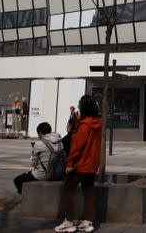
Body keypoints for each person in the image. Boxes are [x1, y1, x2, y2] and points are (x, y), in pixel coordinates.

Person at [55, 95, 101, 233]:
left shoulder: (84, 126)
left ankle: (69, 221)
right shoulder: (96, 123)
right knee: (89, 191)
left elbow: (77, 146)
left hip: (80, 164)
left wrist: (70, 163)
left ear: (83, 107)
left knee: (68, 190)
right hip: (92, 164)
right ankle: (88, 222)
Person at [13, 122, 63, 194]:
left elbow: (33, 163)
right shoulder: (59, 142)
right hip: (58, 173)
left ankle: (27, 197)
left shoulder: (39, 144)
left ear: (39, 133)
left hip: (43, 174)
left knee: (17, 180)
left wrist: (33, 155)